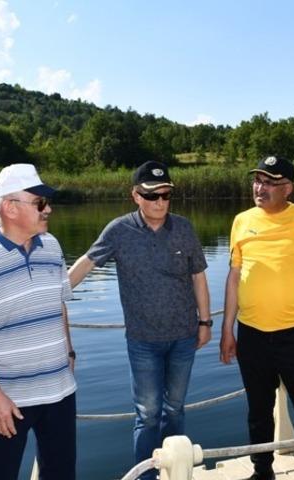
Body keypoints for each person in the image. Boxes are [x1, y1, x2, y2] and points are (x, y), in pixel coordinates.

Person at [68, 160, 211, 480]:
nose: (160, 202)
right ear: (136, 196)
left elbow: (199, 277)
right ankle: (146, 477)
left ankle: (174, 473)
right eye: (152, 195)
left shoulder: (184, 228)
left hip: (184, 337)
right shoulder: (119, 231)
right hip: (142, 341)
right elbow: (86, 264)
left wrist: (205, 323)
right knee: (147, 415)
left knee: (175, 409)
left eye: (165, 195)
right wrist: (51, 295)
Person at [0, 164, 76, 480]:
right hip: (7, 400)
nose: (48, 209)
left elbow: (59, 305)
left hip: (60, 392)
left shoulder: (53, 246)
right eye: (39, 203)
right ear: (10, 208)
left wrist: (69, 354)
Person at [220, 155, 294, 480]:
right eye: (257, 180)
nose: (260, 188)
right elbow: (234, 276)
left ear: (288, 188)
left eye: (270, 182)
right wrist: (227, 329)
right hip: (251, 335)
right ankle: (263, 472)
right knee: (258, 412)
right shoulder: (241, 221)